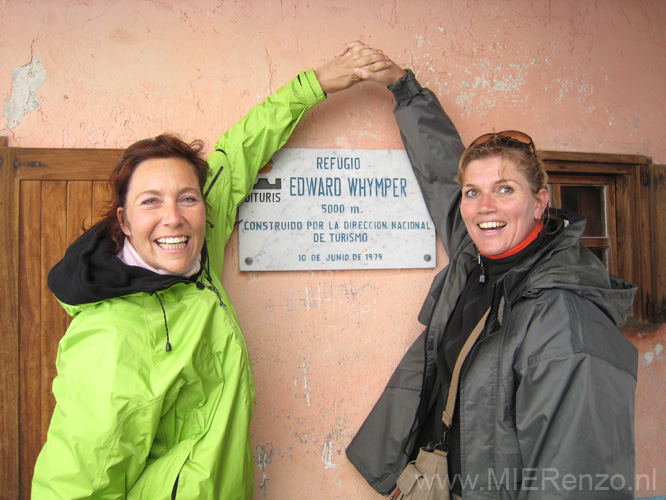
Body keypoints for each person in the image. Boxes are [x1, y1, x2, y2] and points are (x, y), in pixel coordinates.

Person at [31, 42, 392, 500]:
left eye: (187, 197)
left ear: (204, 207)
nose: (173, 218)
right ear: (121, 221)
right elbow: (75, 483)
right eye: (150, 202)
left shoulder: (193, 253)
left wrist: (315, 84)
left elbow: (239, 152)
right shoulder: (112, 336)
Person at [346, 57, 638, 499]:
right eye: (474, 193)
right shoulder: (477, 256)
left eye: (505, 189)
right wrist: (405, 91)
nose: (485, 206)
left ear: (540, 202)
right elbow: (444, 171)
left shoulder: (568, 324)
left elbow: (578, 481)